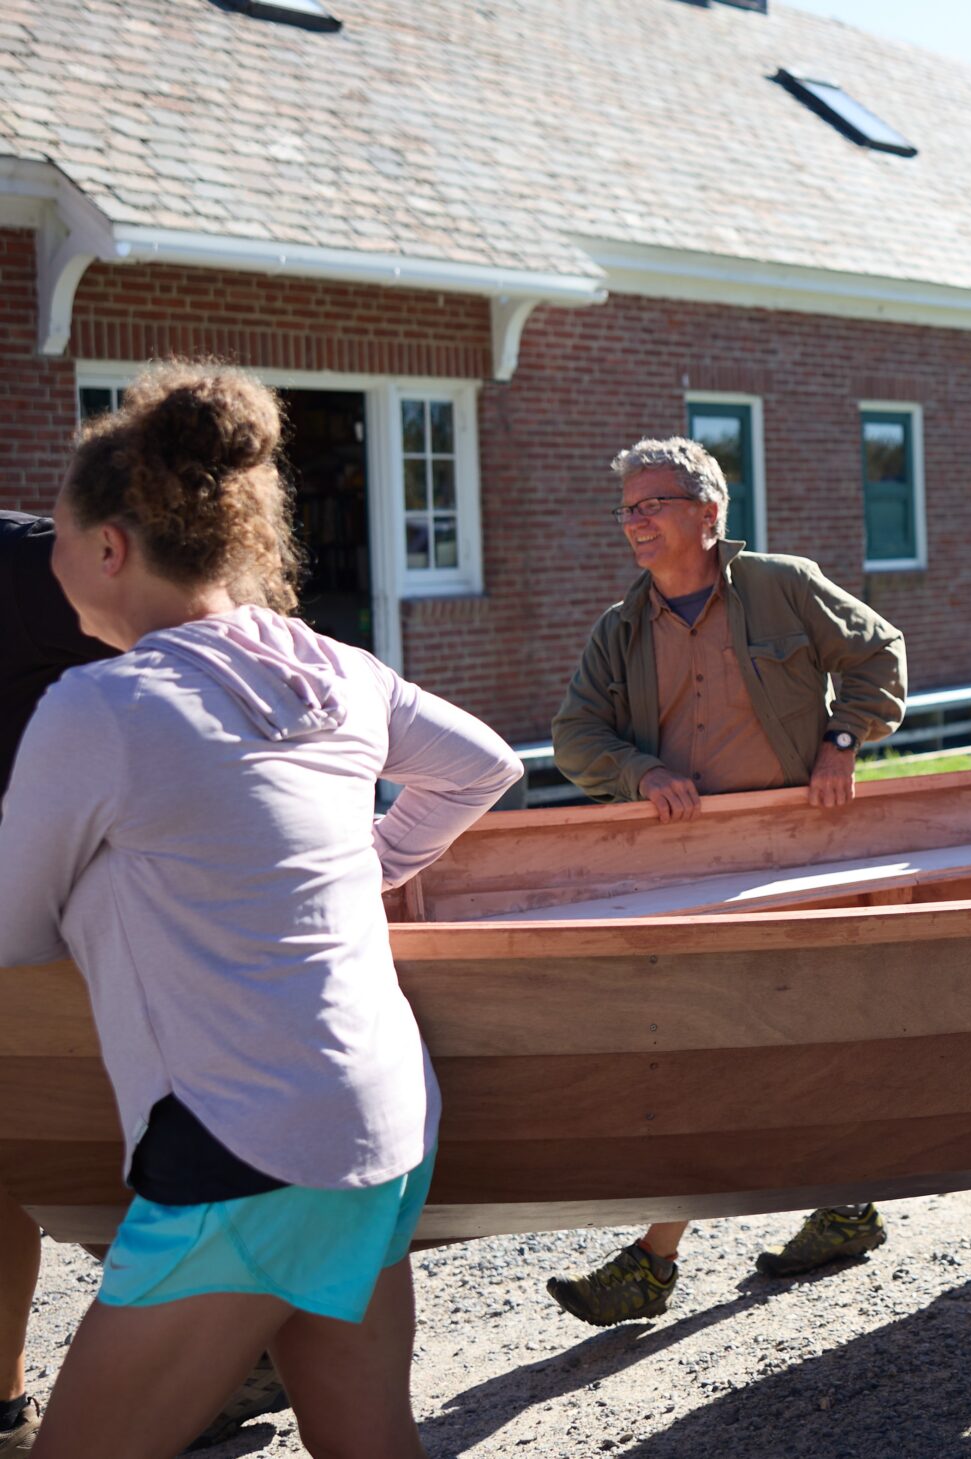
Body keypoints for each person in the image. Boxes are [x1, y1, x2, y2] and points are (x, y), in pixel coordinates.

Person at [0, 364, 520, 1458]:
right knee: (367, 1442)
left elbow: (12, 929)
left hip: (245, 1151)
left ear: (109, 549)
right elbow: (480, 767)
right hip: (384, 1123)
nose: (46, 563)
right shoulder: (336, 667)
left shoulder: (97, 705)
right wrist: (369, 862)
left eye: (56, 535)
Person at [544, 437, 908, 1326]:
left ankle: (655, 1260)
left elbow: (878, 657)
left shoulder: (783, 584)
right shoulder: (620, 627)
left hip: (793, 848)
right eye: (626, 507)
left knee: (762, 1041)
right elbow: (574, 738)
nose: (634, 521)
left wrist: (843, 741)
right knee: (731, 1043)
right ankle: (841, 1207)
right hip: (687, 865)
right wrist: (640, 774)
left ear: (709, 512)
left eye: (652, 503)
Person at [0, 512, 113, 1455]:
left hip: (68, 929)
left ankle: (238, 1337)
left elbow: (192, 651)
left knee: (91, 1150)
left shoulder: (33, 561)